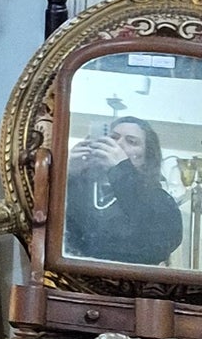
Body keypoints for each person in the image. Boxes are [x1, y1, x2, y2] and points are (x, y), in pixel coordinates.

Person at [62, 113, 188, 267]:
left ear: (146, 158)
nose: (118, 144)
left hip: (128, 285)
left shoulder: (158, 198)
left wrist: (122, 170)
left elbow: (159, 246)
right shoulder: (77, 187)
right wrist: (65, 174)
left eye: (131, 141)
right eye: (113, 137)